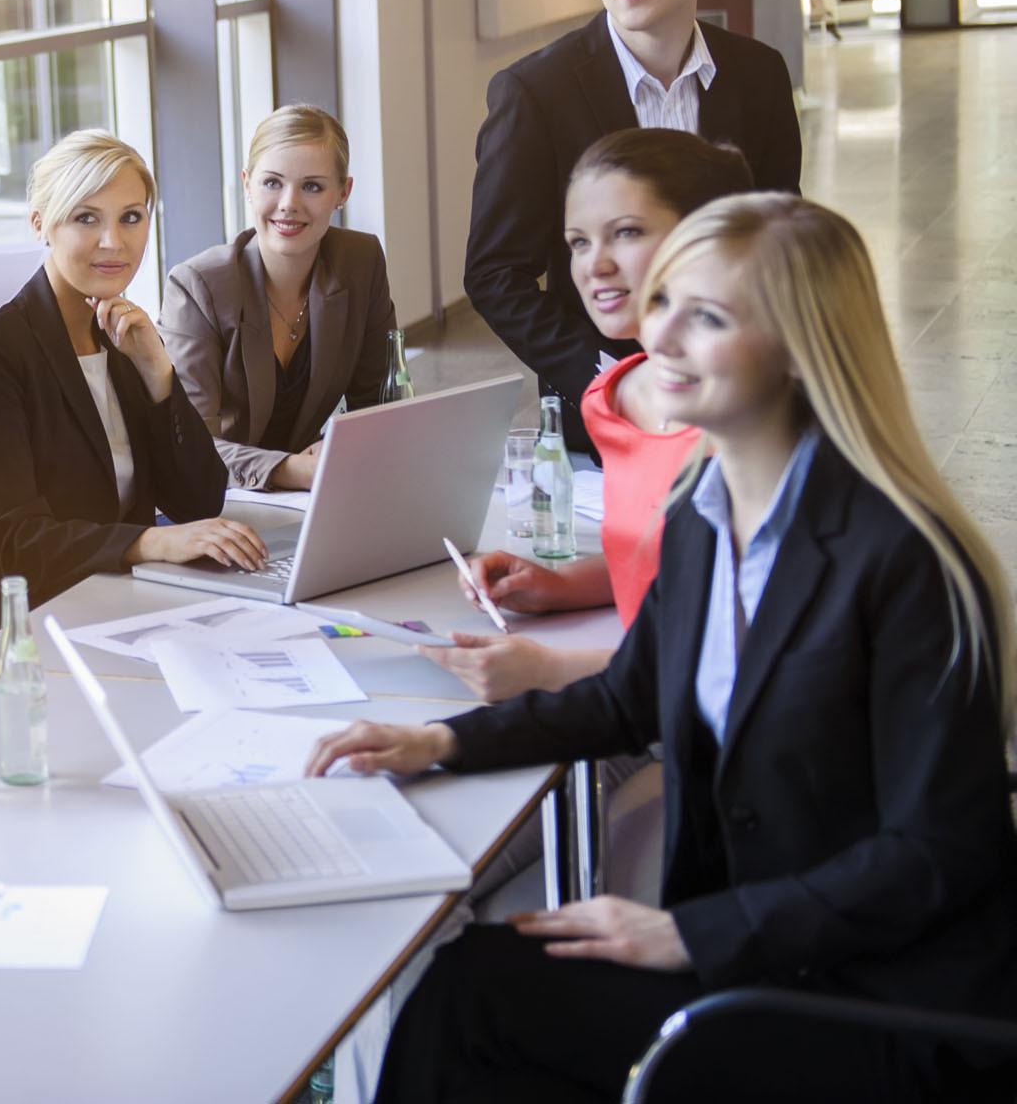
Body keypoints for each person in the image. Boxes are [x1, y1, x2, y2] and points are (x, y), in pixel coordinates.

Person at [312, 194, 1017, 1103]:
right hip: (758, 951)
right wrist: (445, 740)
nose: (664, 337)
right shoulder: (700, 508)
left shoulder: (902, 557)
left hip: (875, 1000)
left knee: (474, 1002)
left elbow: (936, 853)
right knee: (470, 986)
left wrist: (693, 935)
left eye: (709, 316)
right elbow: (629, 696)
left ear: (806, 349)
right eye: (667, 303)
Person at [465, 0, 801, 454]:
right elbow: (495, 274)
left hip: (740, 388)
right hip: (608, 412)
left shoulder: (760, 74)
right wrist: (607, 379)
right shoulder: (535, 93)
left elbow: (778, 230)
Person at [430, 128, 753, 702]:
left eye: (626, 233)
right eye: (577, 243)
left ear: (702, 235)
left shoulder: (750, 420)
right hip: (638, 696)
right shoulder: (611, 397)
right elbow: (664, 567)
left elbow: (736, 645)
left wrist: (555, 670)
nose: (594, 265)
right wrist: (559, 586)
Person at [0, 131, 258, 626]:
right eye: (87, 218)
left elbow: (198, 501)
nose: (114, 242)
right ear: (41, 224)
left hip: (113, 602)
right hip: (8, 624)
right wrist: (151, 540)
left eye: (131, 217)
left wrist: (160, 377)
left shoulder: (122, 332)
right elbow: (13, 540)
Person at [160, 105, 395, 490]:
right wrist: (293, 470)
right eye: (272, 183)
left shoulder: (361, 261)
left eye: (312, 186)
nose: (289, 203)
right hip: (215, 499)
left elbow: (379, 403)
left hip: (312, 496)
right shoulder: (197, 287)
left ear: (343, 192)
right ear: (247, 183)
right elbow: (190, 448)